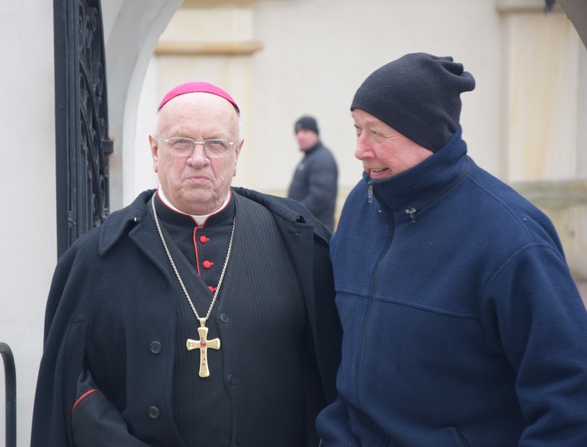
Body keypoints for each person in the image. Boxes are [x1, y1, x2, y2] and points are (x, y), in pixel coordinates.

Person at [30, 81, 342, 447]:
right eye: (181, 142)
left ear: (237, 153)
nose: (198, 158)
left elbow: (330, 370)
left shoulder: (297, 241)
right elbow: (72, 386)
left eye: (216, 143)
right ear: (154, 151)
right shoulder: (96, 259)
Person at [316, 53, 587, 446]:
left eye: (377, 133)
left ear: (427, 134)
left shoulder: (512, 238)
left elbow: (570, 398)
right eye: (357, 129)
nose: (360, 149)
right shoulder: (362, 203)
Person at [288, 116, 338, 231]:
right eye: (297, 132)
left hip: (316, 230)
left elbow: (319, 197)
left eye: (305, 131)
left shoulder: (321, 159)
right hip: (308, 227)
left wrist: (295, 214)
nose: (300, 136)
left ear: (316, 133)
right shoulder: (310, 158)